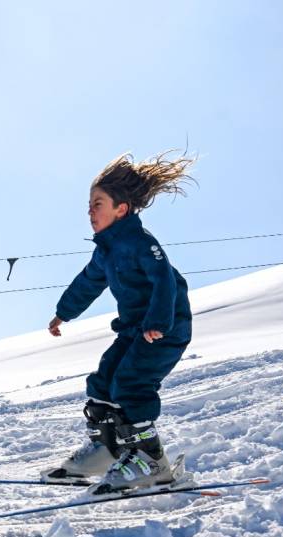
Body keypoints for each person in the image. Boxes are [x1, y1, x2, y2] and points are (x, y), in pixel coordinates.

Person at [44, 151, 195, 492]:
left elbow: (165, 281)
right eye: (89, 205)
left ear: (121, 209)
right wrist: (62, 313)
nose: (90, 212)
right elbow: (87, 283)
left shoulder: (141, 243)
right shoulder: (106, 251)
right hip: (133, 330)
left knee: (130, 385)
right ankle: (107, 450)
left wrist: (158, 321)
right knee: (103, 380)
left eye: (97, 203)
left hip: (165, 327)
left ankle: (152, 462)